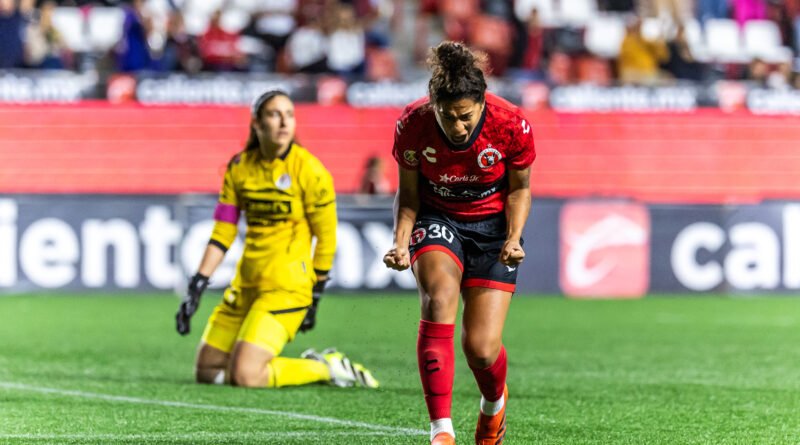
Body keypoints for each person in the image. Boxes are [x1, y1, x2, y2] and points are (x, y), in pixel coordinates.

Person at [384, 42, 536, 445]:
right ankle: (442, 432)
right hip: (438, 217)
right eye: (447, 117)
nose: (457, 127)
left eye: (466, 117)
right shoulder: (412, 124)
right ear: (433, 105)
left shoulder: (511, 123)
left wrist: (514, 237)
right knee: (438, 297)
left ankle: (493, 407)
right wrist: (401, 242)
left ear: (483, 103)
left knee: (481, 349)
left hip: (492, 229)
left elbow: (520, 189)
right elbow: (409, 195)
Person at [175, 90, 378, 390]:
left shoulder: (309, 170)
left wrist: (317, 292)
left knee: (245, 375)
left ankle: (326, 367)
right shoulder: (239, 168)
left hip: (287, 289)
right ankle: (266, 364)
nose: (284, 122)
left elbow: (326, 238)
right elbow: (224, 231)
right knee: (207, 371)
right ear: (256, 123)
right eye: (274, 114)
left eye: (290, 115)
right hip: (245, 286)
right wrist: (198, 283)